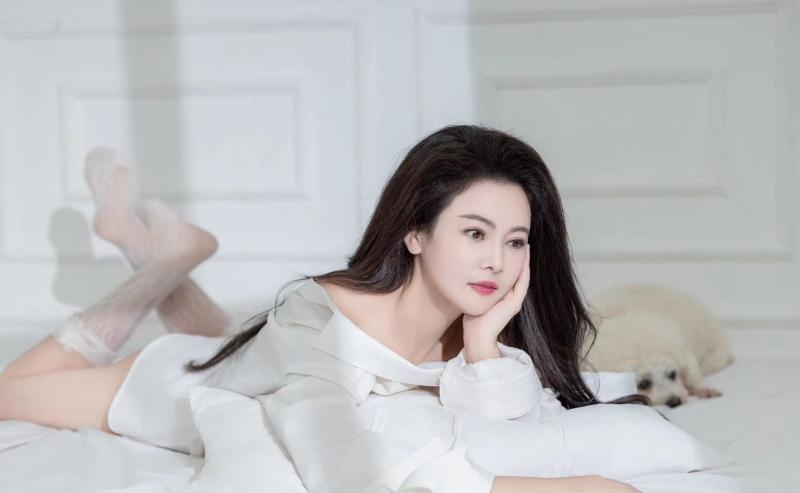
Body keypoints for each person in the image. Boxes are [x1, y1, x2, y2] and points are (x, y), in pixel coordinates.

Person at [0, 126, 649, 493]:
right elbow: (335, 455)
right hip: (180, 383)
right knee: (8, 391)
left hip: (257, 363)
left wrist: (482, 347)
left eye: (515, 241)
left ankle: (162, 252)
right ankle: (160, 266)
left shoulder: (479, 322)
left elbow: (513, 437)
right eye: (475, 233)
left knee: (239, 344)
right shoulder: (322, 325)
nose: (497, 262)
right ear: (415, 232)